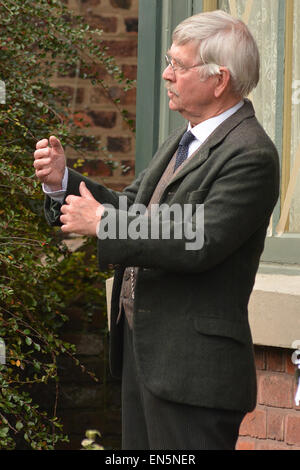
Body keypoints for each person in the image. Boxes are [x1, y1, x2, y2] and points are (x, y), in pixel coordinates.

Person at [33, 10, 279, 450]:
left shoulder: (251, 154)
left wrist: (104, 223)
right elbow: (135, 209)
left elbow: (199, 237)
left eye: (178, 66)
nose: (166, 74)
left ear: (219, 80)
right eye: (169, 61)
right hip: (146, 360)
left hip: (193, 374)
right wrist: (64, 184)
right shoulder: (182, 140)